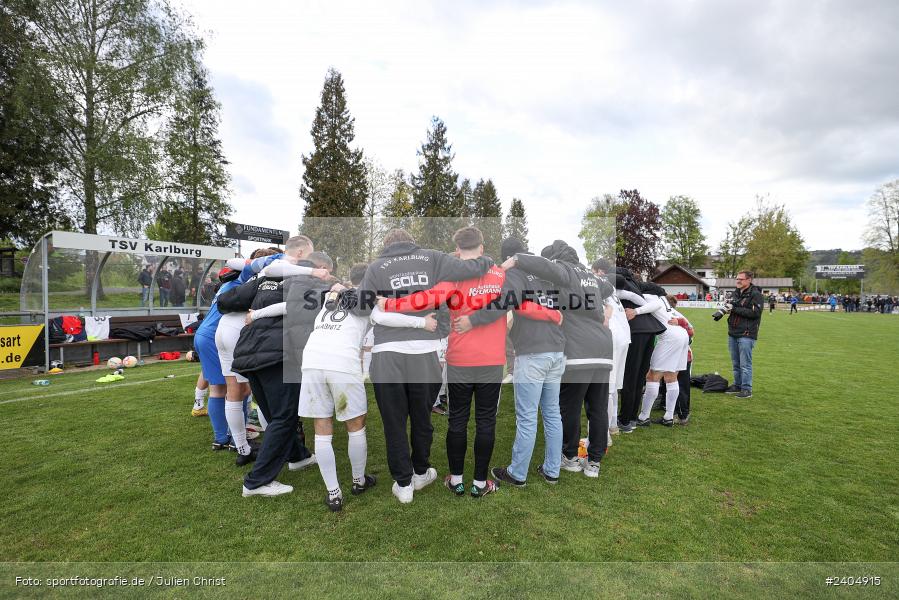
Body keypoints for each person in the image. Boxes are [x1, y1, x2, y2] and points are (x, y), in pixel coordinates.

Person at [355, 228, 493, 504]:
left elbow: (361, 307)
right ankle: (419, 472)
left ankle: (404, 484)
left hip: (387, 354)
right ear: (412, 242)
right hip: (425, 352)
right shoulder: (432, 257)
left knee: (393, 421)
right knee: (422, 417)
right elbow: (471, 266)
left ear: (386, 246)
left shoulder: (376, 267)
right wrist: (487, 260)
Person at [294, 271, 435, 511]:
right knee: (355, 423)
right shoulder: (366, 300)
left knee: (322, 424)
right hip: (342, 363)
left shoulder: (331, 299)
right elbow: (386, 319)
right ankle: (358, 481)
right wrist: (422, 322)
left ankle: (334, 493)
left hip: (312, 361)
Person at [218, 235, 328, 497]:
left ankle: (298, 456)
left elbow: (225, 301)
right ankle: (257, 481)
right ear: (302, 254)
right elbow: (298, 309)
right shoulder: (302, 277)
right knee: (285, 415)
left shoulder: (263, 276)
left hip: (249, 352)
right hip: (276, 352)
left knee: (276, 413)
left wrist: (256, 298)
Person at [506, 240, 614, 478]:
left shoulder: (564, 272)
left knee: (570, 407)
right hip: (603, 348)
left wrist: (517, 259)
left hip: (579, 348)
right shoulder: (589, 276)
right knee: (598, 408)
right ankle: (594, 461)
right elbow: (608, 288)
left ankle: (571, 457)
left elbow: (547, 270)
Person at [464, 237, 566, 488]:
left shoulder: (515, 272)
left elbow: (515, 304)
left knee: (528, 416)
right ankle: (552, 471)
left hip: (533, 351)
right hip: (556, 349)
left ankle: (518, 473)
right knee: (553, 413)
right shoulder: (544, 272)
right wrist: (553, 314)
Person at [628, 287, 690, 427]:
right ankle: (668, 417)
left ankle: (644, 417)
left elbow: (654, 305)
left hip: (669, 337)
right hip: (682, 335)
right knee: (671, 376)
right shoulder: (667, 302)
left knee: (652, 376)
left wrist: (635, 311)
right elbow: (688, 323)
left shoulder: (653, 298)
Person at [616, 269, 666, 433]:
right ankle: (631, 417)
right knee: (638, 377)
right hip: (649, 330)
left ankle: (624, 420)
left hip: (635, 330)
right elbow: (658, 290)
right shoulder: (636, 284)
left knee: (630, 376)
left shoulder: (619, 285)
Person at [723, 271, 763, 399]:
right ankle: (737, 385)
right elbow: (736, 307)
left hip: (746, 333)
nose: (738, 281)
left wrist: (734, 309)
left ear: (749, 280)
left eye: (741, 279)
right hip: (733, 331)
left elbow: (755, 313)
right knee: (735, 362)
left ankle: (747, 389)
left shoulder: (756, 294)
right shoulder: (736, 292)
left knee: (745, 363)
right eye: (737, 279)